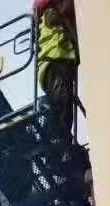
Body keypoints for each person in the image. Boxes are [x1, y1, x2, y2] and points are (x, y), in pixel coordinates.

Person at [33, 0, 79, 135]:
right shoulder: (50, 14)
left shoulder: (48, 18)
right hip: (54, 63)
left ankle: (60, 135)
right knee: (63, 100)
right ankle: (60, 136)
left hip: (55, 66)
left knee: (63, 103)